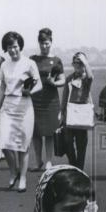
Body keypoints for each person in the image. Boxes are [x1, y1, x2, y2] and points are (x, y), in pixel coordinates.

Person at [0, 31, 42, 192]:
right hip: (8, 105)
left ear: (19, 46)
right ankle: (13, 170)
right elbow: (2, 88)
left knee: (23, 144)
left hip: (24, 106)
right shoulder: (3, 65)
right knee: (4, 143)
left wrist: (31, 91)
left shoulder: (29, 63)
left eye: (15, 46)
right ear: (5, 49)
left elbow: (39, 84)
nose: (13, 50)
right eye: (9, 47)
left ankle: (22, 178)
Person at [30, 27, 65, 170]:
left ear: (51, 42)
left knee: (50, 132)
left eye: (47, 43)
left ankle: (49, 161)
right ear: (39, 43)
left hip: (51, 100)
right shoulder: (32, 59)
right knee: (36, 132)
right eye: (42, 43)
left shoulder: (57, 60)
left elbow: (62, 80)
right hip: (34, 99)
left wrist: (54, 83)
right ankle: (38, 161)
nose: (44, 46)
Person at [60, 51, 94, 170]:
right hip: (69, 114)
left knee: (81, 144)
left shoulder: (86, 78)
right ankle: (73, 165)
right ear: (72, 64)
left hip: (82, 115)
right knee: (68, 142)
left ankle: (79, 169)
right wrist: (61, 112)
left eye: (81, 63)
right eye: (76, 63)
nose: (78, 65)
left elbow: (90, 77)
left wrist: (86, 62)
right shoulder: (69, 78)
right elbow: (65, 96)